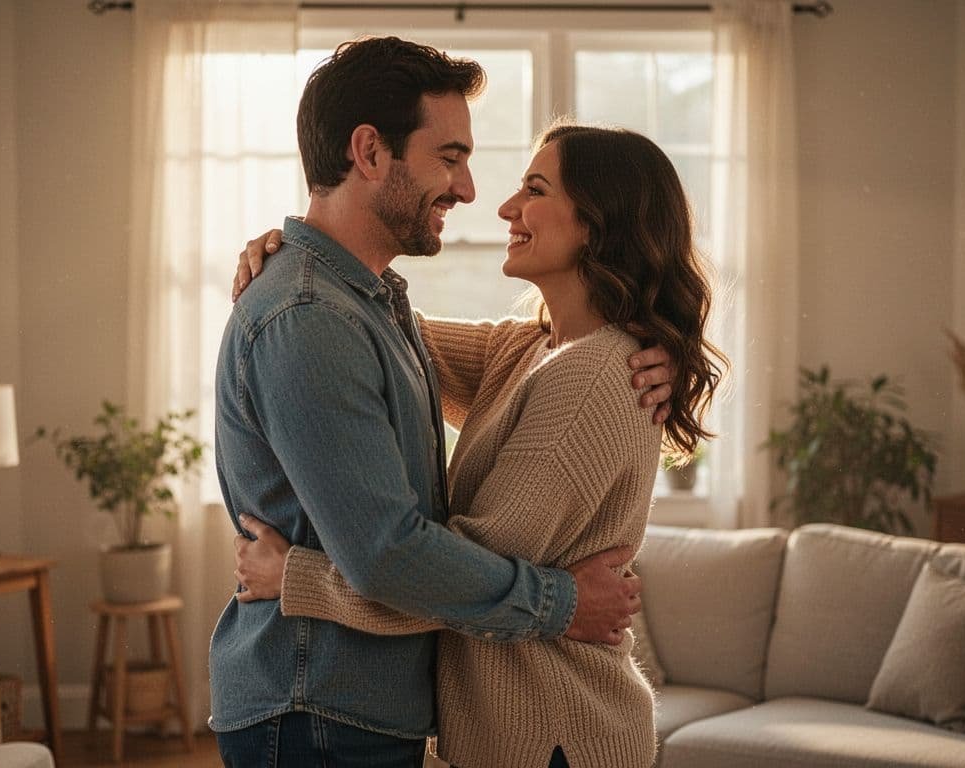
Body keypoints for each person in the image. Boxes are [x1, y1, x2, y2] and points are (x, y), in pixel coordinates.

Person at [210, 37, 676, 768]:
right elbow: (402, 558)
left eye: (535, 189)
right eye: (450, 158)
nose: (474, 194)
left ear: (599, 225)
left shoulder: (591, 372)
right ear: (369, 152)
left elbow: (442, 566)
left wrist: (294, 576)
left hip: (538, 728)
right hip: (325, 706)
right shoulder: (349, 318)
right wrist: (292, 254)